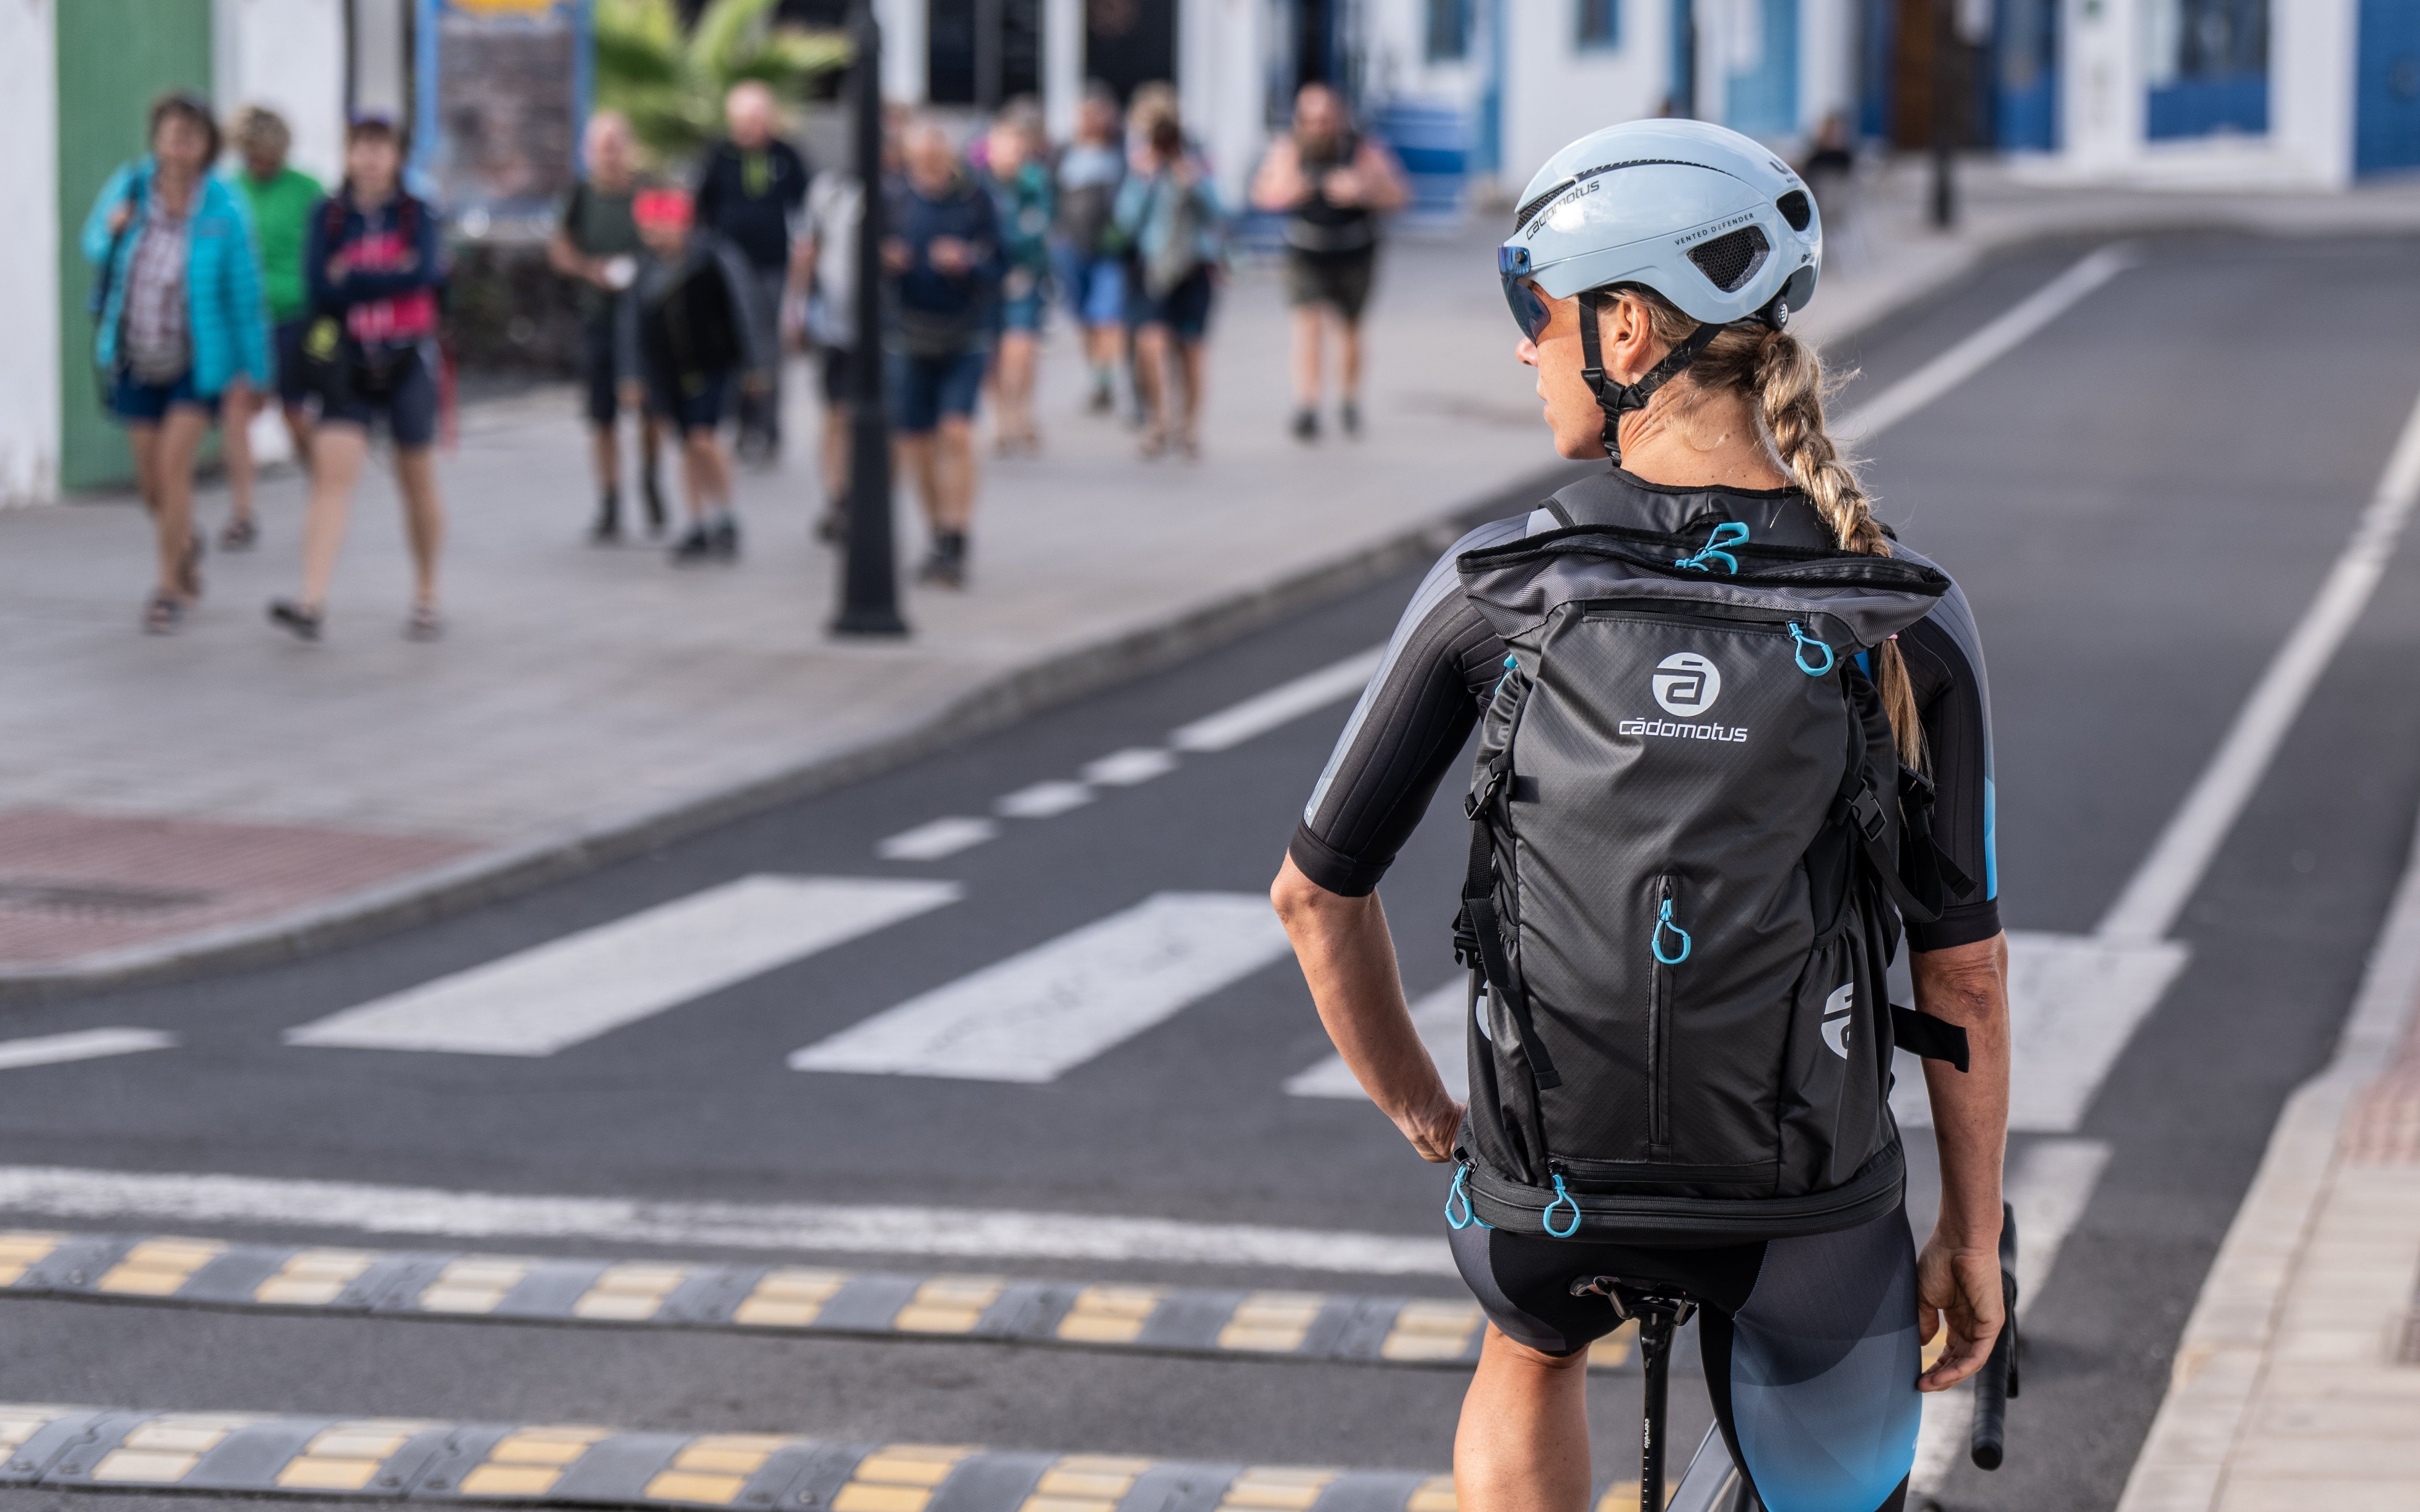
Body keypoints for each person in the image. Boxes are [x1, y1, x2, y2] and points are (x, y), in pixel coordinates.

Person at [1268, 119, 2009, 1512]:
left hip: (1548, 1194)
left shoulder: (1495, 586)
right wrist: (1974, 1243)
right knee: (1836, 1452)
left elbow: (1315, 897)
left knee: (1527, 1350)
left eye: (1529, 310)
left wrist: (1437, 1121)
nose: (1518, 346)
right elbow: (1961, 967)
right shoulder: (1905, 608)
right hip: (1802, 1201)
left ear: (1625, 328)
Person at [82, 92, 272, 635]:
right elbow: (93, 242)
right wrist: (112, 230)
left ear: (207, 145)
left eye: (191, 133)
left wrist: (255, 374)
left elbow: (244, 293)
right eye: (170, 130)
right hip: (135, 355)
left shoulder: (224, 206)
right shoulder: (132, 185)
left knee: (173, 469)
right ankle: (185, 542)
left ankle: (168, 589)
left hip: (197, 363)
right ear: (156, 136)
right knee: (150, 484)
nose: (179, 142)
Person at [268, 115, 447, 643]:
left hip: (407, 359)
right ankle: (312, 600)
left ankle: (427, 593)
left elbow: (425, 275)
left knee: (416, 479)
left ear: (398, 156)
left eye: (381, 147)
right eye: (361, 147)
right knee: (332, 477)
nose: (370, 158)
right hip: (347, 361)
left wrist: (358, 278)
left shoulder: (419, 214)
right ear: (347, 154)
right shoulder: (328, 214)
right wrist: (388, 278)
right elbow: (320, 287)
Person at [1250, 83, 1406, 442]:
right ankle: (1307, 405)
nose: (1318, 127)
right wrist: (1288, 192)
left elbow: (1400, 195)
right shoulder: (1288, 150)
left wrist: (1362, 191)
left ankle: (1350, 401)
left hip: (1355, 251)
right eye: (1310, 120)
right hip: (1306, 253)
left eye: (1325, 119)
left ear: (1338, 119)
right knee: (1308, 325)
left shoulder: (1363, 150)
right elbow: (1262, 194)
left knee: (1350, 328)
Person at [884, 118, 1001, 589]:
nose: (930, 165)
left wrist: (967, 260)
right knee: (916, 442)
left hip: (964, 331)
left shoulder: (975, 200)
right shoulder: (894, 199)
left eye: (937, 155)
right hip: (909, 333)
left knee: (956, 431)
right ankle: (936, 531)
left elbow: (1002, 261)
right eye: (921, 157)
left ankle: (957, 531)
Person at [626, 186, 772, 564]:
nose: (655, 235)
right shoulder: (646, 268)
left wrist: (756, 367)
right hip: (668, 371)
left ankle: (726, 516)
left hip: (713, 366)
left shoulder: (714, 257)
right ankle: (697, 522)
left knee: (705, 438)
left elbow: (745, 311)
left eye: (661, 226)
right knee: (686, 445)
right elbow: (632, 328)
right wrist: (633, 375)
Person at [551, 110, 665, 543]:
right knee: (602, 417)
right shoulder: (580, 195)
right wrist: (589, 269)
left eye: (616, 145)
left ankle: (652, 475)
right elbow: (560, 249)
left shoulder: (647, 189)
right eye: (602, 147)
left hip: (645, 318)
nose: (610, 155)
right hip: (599, 314)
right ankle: (611, 501)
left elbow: (674, 236)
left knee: (652, 409)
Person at [219, 104, 321, 552]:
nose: (258, 163)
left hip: (295, 318)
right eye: (251, 154)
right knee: (238, 408)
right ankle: (243, 512)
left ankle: (325, 490)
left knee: (295, 414)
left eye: (266, 155)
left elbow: (322, 256)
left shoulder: (307, 191)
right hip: (245, 320)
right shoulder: (229, 192)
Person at [693, 81, 809, 466]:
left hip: (774, 264)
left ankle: (768, 428)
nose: (751, 127)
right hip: (728, 266)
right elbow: (701, 209)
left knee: (769, 349)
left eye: (758, 118)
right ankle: (738, 425)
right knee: (736, 344)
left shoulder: (787, 156)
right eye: (744, 119)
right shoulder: (719, 156)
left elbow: (805, 211)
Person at [1113, 109, 1223, 460]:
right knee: (1152, 346)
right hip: (1154, 271)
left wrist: (1197, 185)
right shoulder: (1141, 173)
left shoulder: (1197, 171)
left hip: (1193, 268)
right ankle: (1157, 422)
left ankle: (1189, 426)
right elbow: (1125, 223)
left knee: (1191, 351)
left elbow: (1221, 214)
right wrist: (1143, 182)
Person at [981, 105, 1053, 455]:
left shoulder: (1035, 183)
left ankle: (1022, 411)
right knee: (993, 354)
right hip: (989, 279)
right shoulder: (979, 184)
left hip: (1024, 276)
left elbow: (1036, 230)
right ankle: (1001, 417)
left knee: (1020, 350)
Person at [1052, 84, 1126, 417]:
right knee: (1084, 316)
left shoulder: (1121, 153)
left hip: (1109, 247)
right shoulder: (1065, 153)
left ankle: (1105, 379)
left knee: (1107, 315)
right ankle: (1095, 373)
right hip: (1072, 246)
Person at [802, 159, 865, 541]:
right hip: (836, 326)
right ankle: (839, 497)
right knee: (836, 414)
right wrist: (795, 308)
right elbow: (809, 249)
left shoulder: (897, 191)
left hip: (887, 331)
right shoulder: (830, 191)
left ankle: (868, 498)